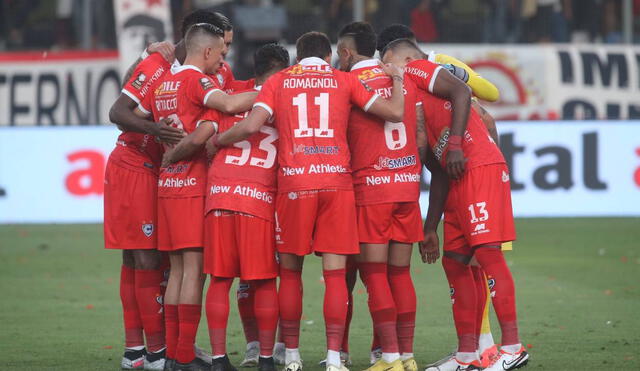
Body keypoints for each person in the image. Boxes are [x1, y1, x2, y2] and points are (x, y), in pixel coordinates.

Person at [209, 31, 405, 371]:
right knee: (334, 275)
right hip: (336, 184)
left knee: (291, 274)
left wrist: (219, 141)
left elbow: (252, 124)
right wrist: (398, 80)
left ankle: (294, 357)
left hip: (295, 184)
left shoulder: (280, 81)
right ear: (329, 55)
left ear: (297, 58)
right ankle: (333, 359)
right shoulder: (343, 80)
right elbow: (394, 112)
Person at [383, 39, 529, 371]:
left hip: (477, 167)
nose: (385, 65)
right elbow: (438, 172)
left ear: (404, 57)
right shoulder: (416, 103)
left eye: (387, 59)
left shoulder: (419, 69)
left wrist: (459, 144)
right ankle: (468, 355)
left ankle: (512, 347)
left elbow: (463, 93)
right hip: (458, 177)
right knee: (455, 262)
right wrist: (430, 227)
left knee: (488, 253)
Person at [161, 43, 291, 371]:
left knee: (219, 279)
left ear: (254, 68)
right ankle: (264, 359)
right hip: (258, 198)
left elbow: (204, 137)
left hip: (218, 194)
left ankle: (218, 359)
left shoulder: (226, 97)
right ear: (285, 70)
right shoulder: (285, 100)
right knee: (263, 282)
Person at [134, 22, 254, 371]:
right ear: (206, 52)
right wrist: (273, 91)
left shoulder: (163, 83)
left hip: (167, 185)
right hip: (191, 184)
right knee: (194, 272)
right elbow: (230, 102)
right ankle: (184, 356)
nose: (223, 58)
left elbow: (141, 117)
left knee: (176, 271)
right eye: (220, 52)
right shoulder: (196, 80)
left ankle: (173, 354)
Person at [336, 21, 425, 371]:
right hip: (407, 185)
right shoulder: (404, 78)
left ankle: (387, 357)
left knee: (372, 275)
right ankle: (407, 355)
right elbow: (419, 136)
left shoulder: (348, 82)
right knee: (400, 274)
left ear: (346, 51)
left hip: (372, 189)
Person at [376, 24, 500, 103]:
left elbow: (492, 94)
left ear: (407, 47)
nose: (388, 67)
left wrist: (453, 72)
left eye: (390, 60)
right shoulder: (392, 74)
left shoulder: (441, 63)